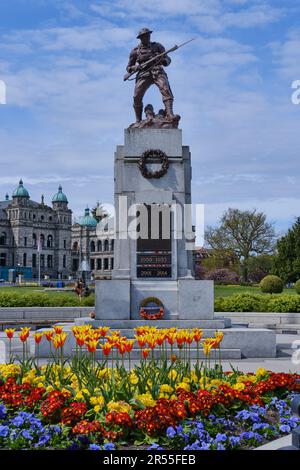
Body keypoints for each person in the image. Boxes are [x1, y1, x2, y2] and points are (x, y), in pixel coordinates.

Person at [126, 28, 174, 124]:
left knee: (165, 90)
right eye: (145, 36)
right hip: (144, 73)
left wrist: (164, 61)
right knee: (136, 96)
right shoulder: (135, 51)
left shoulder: (157, 46)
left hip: (157, 71)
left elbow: (167, 58)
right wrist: (134, 68)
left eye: (148, 35)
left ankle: (169, 114)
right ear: (141, 38)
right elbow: (128, 67)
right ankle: (138, 120)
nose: (147, 37)